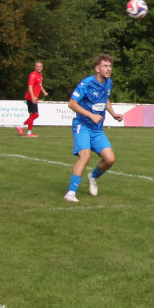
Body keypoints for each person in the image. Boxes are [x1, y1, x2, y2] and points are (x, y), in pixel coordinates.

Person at [64, 55, 123, 202]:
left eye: (110, 66)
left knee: (110, 159)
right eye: (105, 66)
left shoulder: (108, 83)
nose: (109, 69)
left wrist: (114, 114)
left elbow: (105, 99)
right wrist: (91, 115)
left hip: (97, 129)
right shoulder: (86, 83)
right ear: (97, 69)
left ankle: (93, 176)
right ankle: (70, 193)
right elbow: (72, 104)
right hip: (82, 125)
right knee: (85, 156)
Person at [18, 60, 48, 137]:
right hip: (31, 97)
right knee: (34, 115)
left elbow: (39, 85)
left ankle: (21, 127)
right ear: (35, 67)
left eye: (40, 66)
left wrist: (44, 92)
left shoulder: (40, 75)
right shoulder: (33, 75)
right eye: (37, 66)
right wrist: (33, 96)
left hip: (34, 98)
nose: (39, 68)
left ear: (42, 67)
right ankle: (28, 132)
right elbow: (30, 87)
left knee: (34, 115)